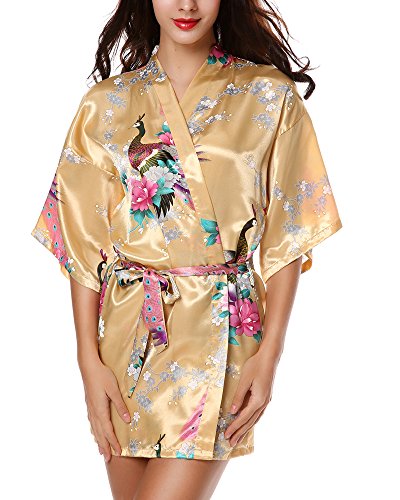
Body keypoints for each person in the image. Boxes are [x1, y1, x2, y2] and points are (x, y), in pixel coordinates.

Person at [30, 0, 343, 498]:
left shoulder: (269, 96)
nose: (187, 4)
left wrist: (270, 355)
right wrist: (88, 361)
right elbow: (81, 244)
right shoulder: (105, 104)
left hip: (218, 331)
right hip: (128, 338)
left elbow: (288, 234)